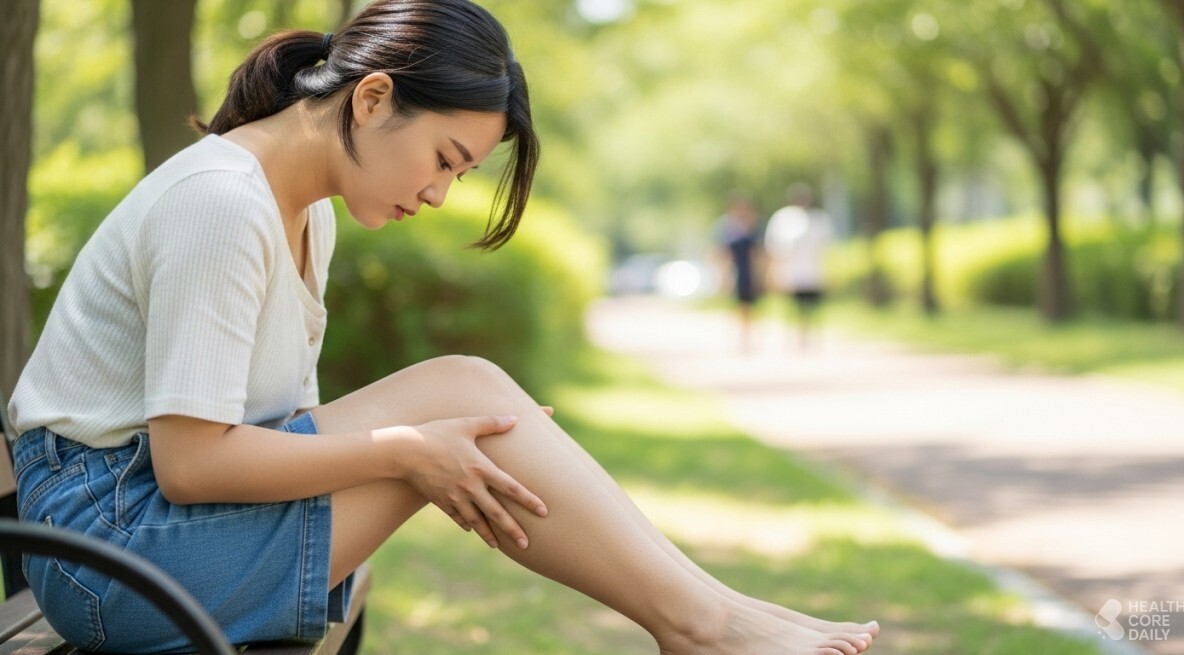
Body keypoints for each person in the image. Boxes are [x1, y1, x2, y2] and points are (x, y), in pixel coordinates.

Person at [7, 2, 879, 653]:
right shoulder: (220, 203)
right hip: (107, 556)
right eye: (445, 162)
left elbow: (259, 440)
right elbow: (192, 463)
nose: (436, 196)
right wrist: (406, 451)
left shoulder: (307, 211)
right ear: (374, 98)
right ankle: (705, 623)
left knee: (469, 390)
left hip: (143, 530)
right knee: (456, 416)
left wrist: (418, 442)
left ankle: (709, 611)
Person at [765, 184, 835, 349]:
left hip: (813, 272)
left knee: (813, 307)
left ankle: (811, 338)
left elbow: (827, 249)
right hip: (791, 273)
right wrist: (773, 272)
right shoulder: (782, 218)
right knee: (792, 308)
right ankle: (794, 338)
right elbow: (774, 249)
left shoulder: (820, 219)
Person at [714, 192, 763, 353]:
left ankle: (746, 338)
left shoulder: (752, 227)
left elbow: (757, 253)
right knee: (735, 306)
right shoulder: (726, 227)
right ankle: (736, 338)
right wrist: (723, 276)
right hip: (734, 271)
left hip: (748, 271)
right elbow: (722, 253)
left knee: (748, 306)